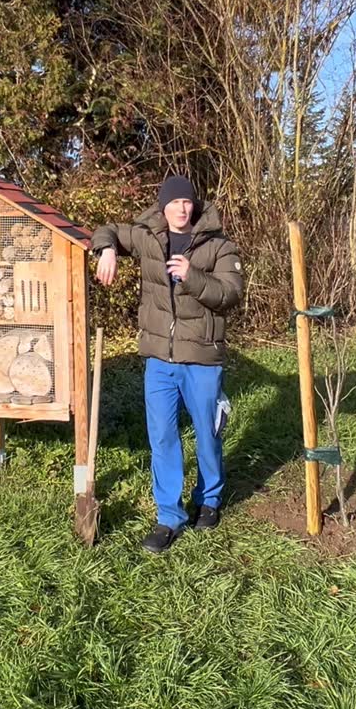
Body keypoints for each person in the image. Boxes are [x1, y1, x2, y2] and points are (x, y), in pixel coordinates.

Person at [91, 174, 243, 554]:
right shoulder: (149, 237)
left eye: (187, 202)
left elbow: (231, 293)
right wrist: (106, 250)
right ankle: (169, 516)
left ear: (195, 205)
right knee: (162, 436)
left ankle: (209, 498)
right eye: (174, 202)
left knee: (208, 433)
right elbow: (108, 230)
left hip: (202, 357)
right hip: (159, 358)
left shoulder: (219, 245)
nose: (181, 208)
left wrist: (192, 277)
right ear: (163, 206)